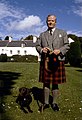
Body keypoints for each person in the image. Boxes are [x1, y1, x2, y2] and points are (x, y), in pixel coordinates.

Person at [36, 14, 69, 112]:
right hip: (46, 62)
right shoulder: (42, 35)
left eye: (52, 20)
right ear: (46, 22)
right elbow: (37, 45)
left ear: (55, 22)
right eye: (49, 20)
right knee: (46, 83)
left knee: (55, 83)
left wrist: (60, 50)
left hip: (57, 61)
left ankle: (54, 103)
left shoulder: (62, 33)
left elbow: (67, 45)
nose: (50, 22)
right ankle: (46, 103)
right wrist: (42, 50)